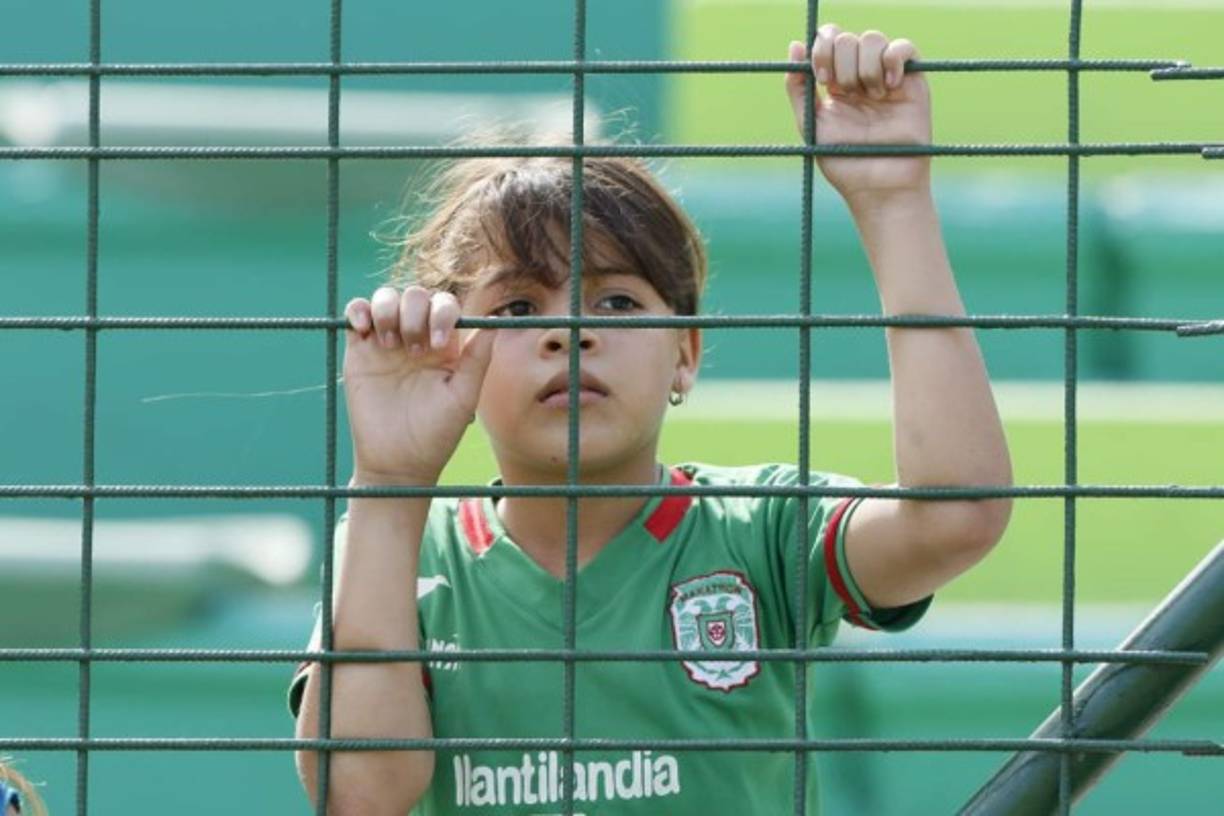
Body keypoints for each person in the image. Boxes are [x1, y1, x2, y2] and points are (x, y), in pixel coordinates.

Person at [290, 25, 1012, 815]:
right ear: (453, 356)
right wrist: (389, 481)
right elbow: (357, 794)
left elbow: (958, 517)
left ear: (685, 354)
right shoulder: (397, 551)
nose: (572, 333)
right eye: (520, 307)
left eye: (619, 302)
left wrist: (893, 200)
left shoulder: (760, 530)